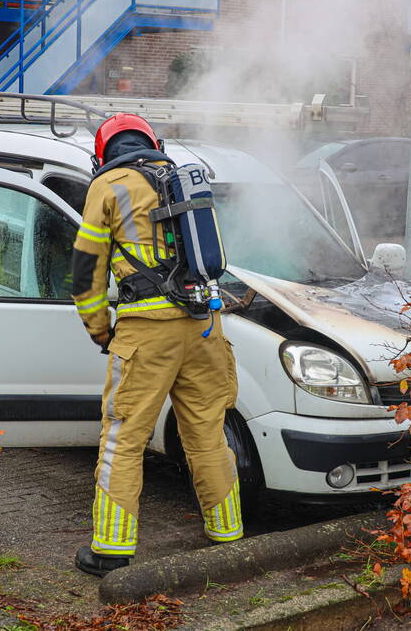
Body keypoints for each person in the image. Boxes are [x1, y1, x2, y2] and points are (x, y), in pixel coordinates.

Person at [70, 114, 241, 577]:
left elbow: (86, 276)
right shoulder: (183, 176)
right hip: (206, 324)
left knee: (122, 440)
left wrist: (101, 331)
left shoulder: (108, 186)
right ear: (153, 142)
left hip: (147, 329)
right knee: (208, 433)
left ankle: (110, 549)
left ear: (102, 154)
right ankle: (227, 535)